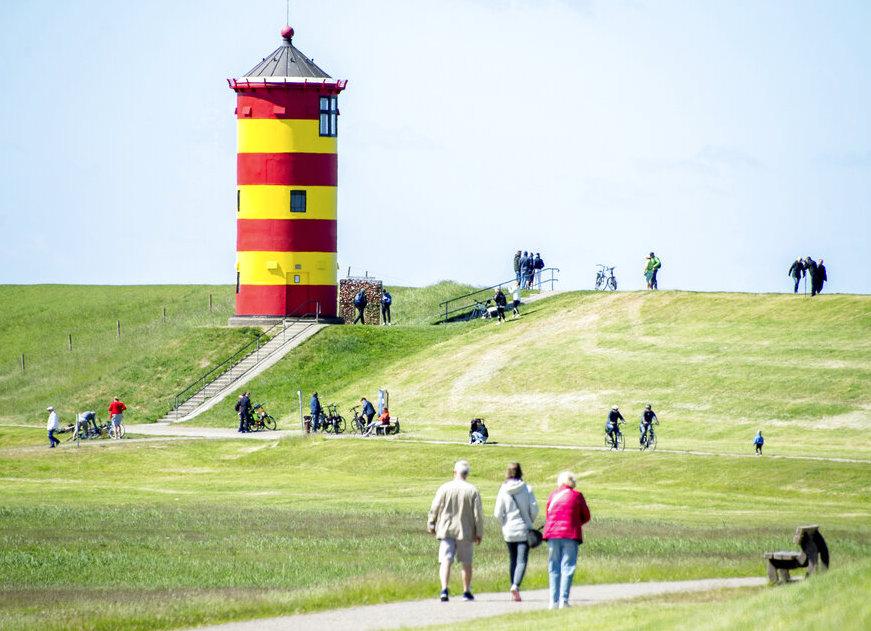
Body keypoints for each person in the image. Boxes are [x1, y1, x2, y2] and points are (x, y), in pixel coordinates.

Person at [427, 460, 484, 603]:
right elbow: (478, 514)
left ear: (454, 472)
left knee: (445, 560)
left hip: (446, 529)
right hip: (465, 530)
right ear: (467, 474)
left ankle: (444, 589)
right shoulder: (472, 490)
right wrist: (479, 532)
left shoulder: (444, 488)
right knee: (466, 562)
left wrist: (431, 523)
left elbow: (435, 507)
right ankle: (466, 591)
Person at [542, 470, 591, 609]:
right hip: (570, 534)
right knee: (567, 567)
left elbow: (548, 515)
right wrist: (575, 522)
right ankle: (564, 600)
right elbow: (586, 516)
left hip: (553, 535)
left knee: (554, 567)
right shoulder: (577, 496)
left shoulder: (553, 495)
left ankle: (553, 601)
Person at [493, 462, 539, 602]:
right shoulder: (527, 488)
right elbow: (534, 509)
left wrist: (504, 523)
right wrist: (529, 521)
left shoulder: (503, 489)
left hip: (509, 530)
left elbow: (497, 513)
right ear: (520, 472)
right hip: (524, 529)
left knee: (513, 559)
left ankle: (513, 585)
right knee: (521, 560)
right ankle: (515, 585)